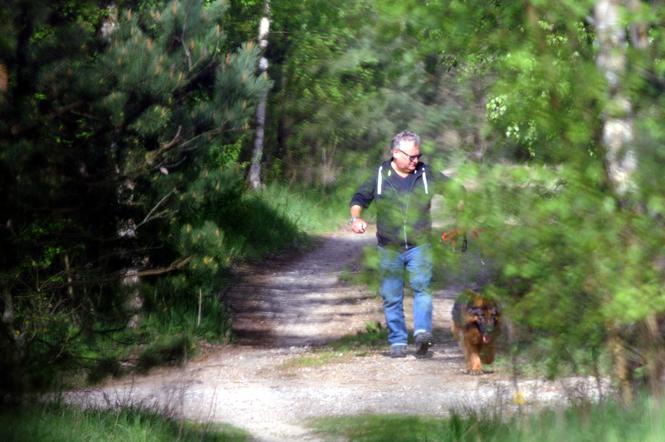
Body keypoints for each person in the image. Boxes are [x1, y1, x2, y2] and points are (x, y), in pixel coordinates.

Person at [350, 130, 443, 358]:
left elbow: (455, 190)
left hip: (419, 246)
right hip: (389, 248)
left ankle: (422, 333)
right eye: (411, 157)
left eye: (417, 156)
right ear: (395, 153)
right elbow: (359, 199)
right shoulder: (380, 174)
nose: (415, 161)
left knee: (422, 287)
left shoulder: (425, 173)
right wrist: (356, 218)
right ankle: (398, 341)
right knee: (392, 295)